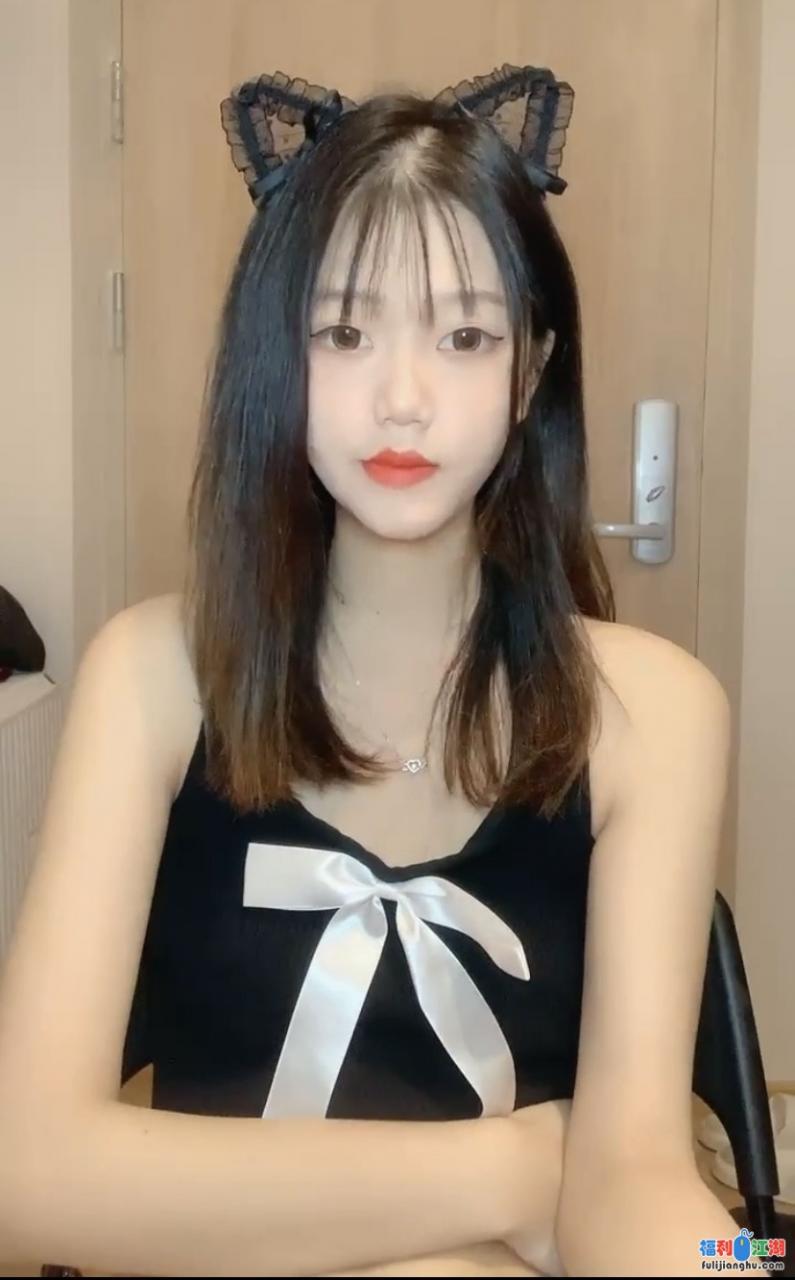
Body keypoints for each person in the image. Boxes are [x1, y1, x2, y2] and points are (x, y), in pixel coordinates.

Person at [0, 66, 750, 1279]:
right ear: (277, 358)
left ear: (531, 370)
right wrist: (513, 1168)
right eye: (344, 333)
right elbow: (26, 1177)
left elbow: (641, 1177)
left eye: (465, 335)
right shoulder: (151, 677)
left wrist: (734, 1263)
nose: (403, 399)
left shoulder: (655, 711)